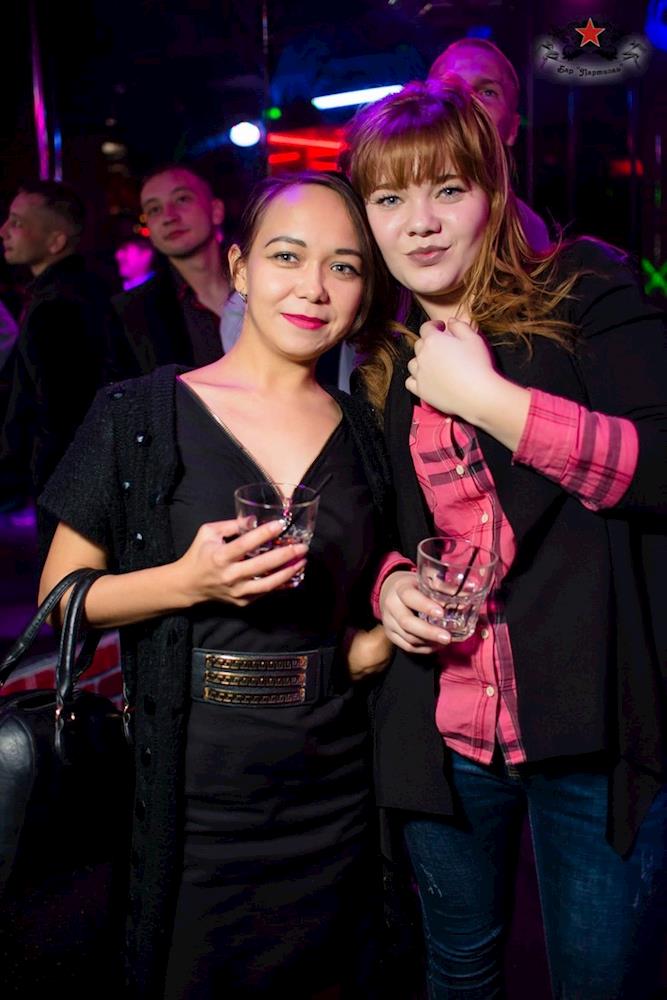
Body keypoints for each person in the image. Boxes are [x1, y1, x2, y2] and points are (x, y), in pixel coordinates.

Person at [344, 79, 667, 999]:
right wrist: (388, 585)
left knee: (598, 982)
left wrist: (489, 400)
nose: (419, 223)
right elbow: (371, 527)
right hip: (445, 730)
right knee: (456, 971)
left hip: (593, 730)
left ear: (492, 191)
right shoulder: (379, 358)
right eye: (389, 198)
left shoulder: (584, 286)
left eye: (447, 189)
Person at [38, 171, 395, 999]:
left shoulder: (369, 435)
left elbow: (380, 580)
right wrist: (185, 581)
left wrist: (374, 642)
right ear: (238, 268)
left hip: (337, 789)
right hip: (194, 792)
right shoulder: (138, 414)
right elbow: (61, 603)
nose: (313, 287)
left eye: (343, 266)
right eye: (286, 256)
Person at [0, 180, 115, 535]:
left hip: (64, 479)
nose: (4, 231)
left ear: (56, 241)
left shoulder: (57, 305)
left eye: (18, 223)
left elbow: (56, 411)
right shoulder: (66, 292)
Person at [109, 163, 244, 380]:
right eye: (154, 209)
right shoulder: (130, 314)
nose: (169, 217)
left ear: (216, 211)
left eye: (182, 199)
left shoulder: (265, 285)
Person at [429, 37, 551, 253]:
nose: (468, 103)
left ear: (512, 129)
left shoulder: (530, 230)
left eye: (487, 92)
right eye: (450, 90)